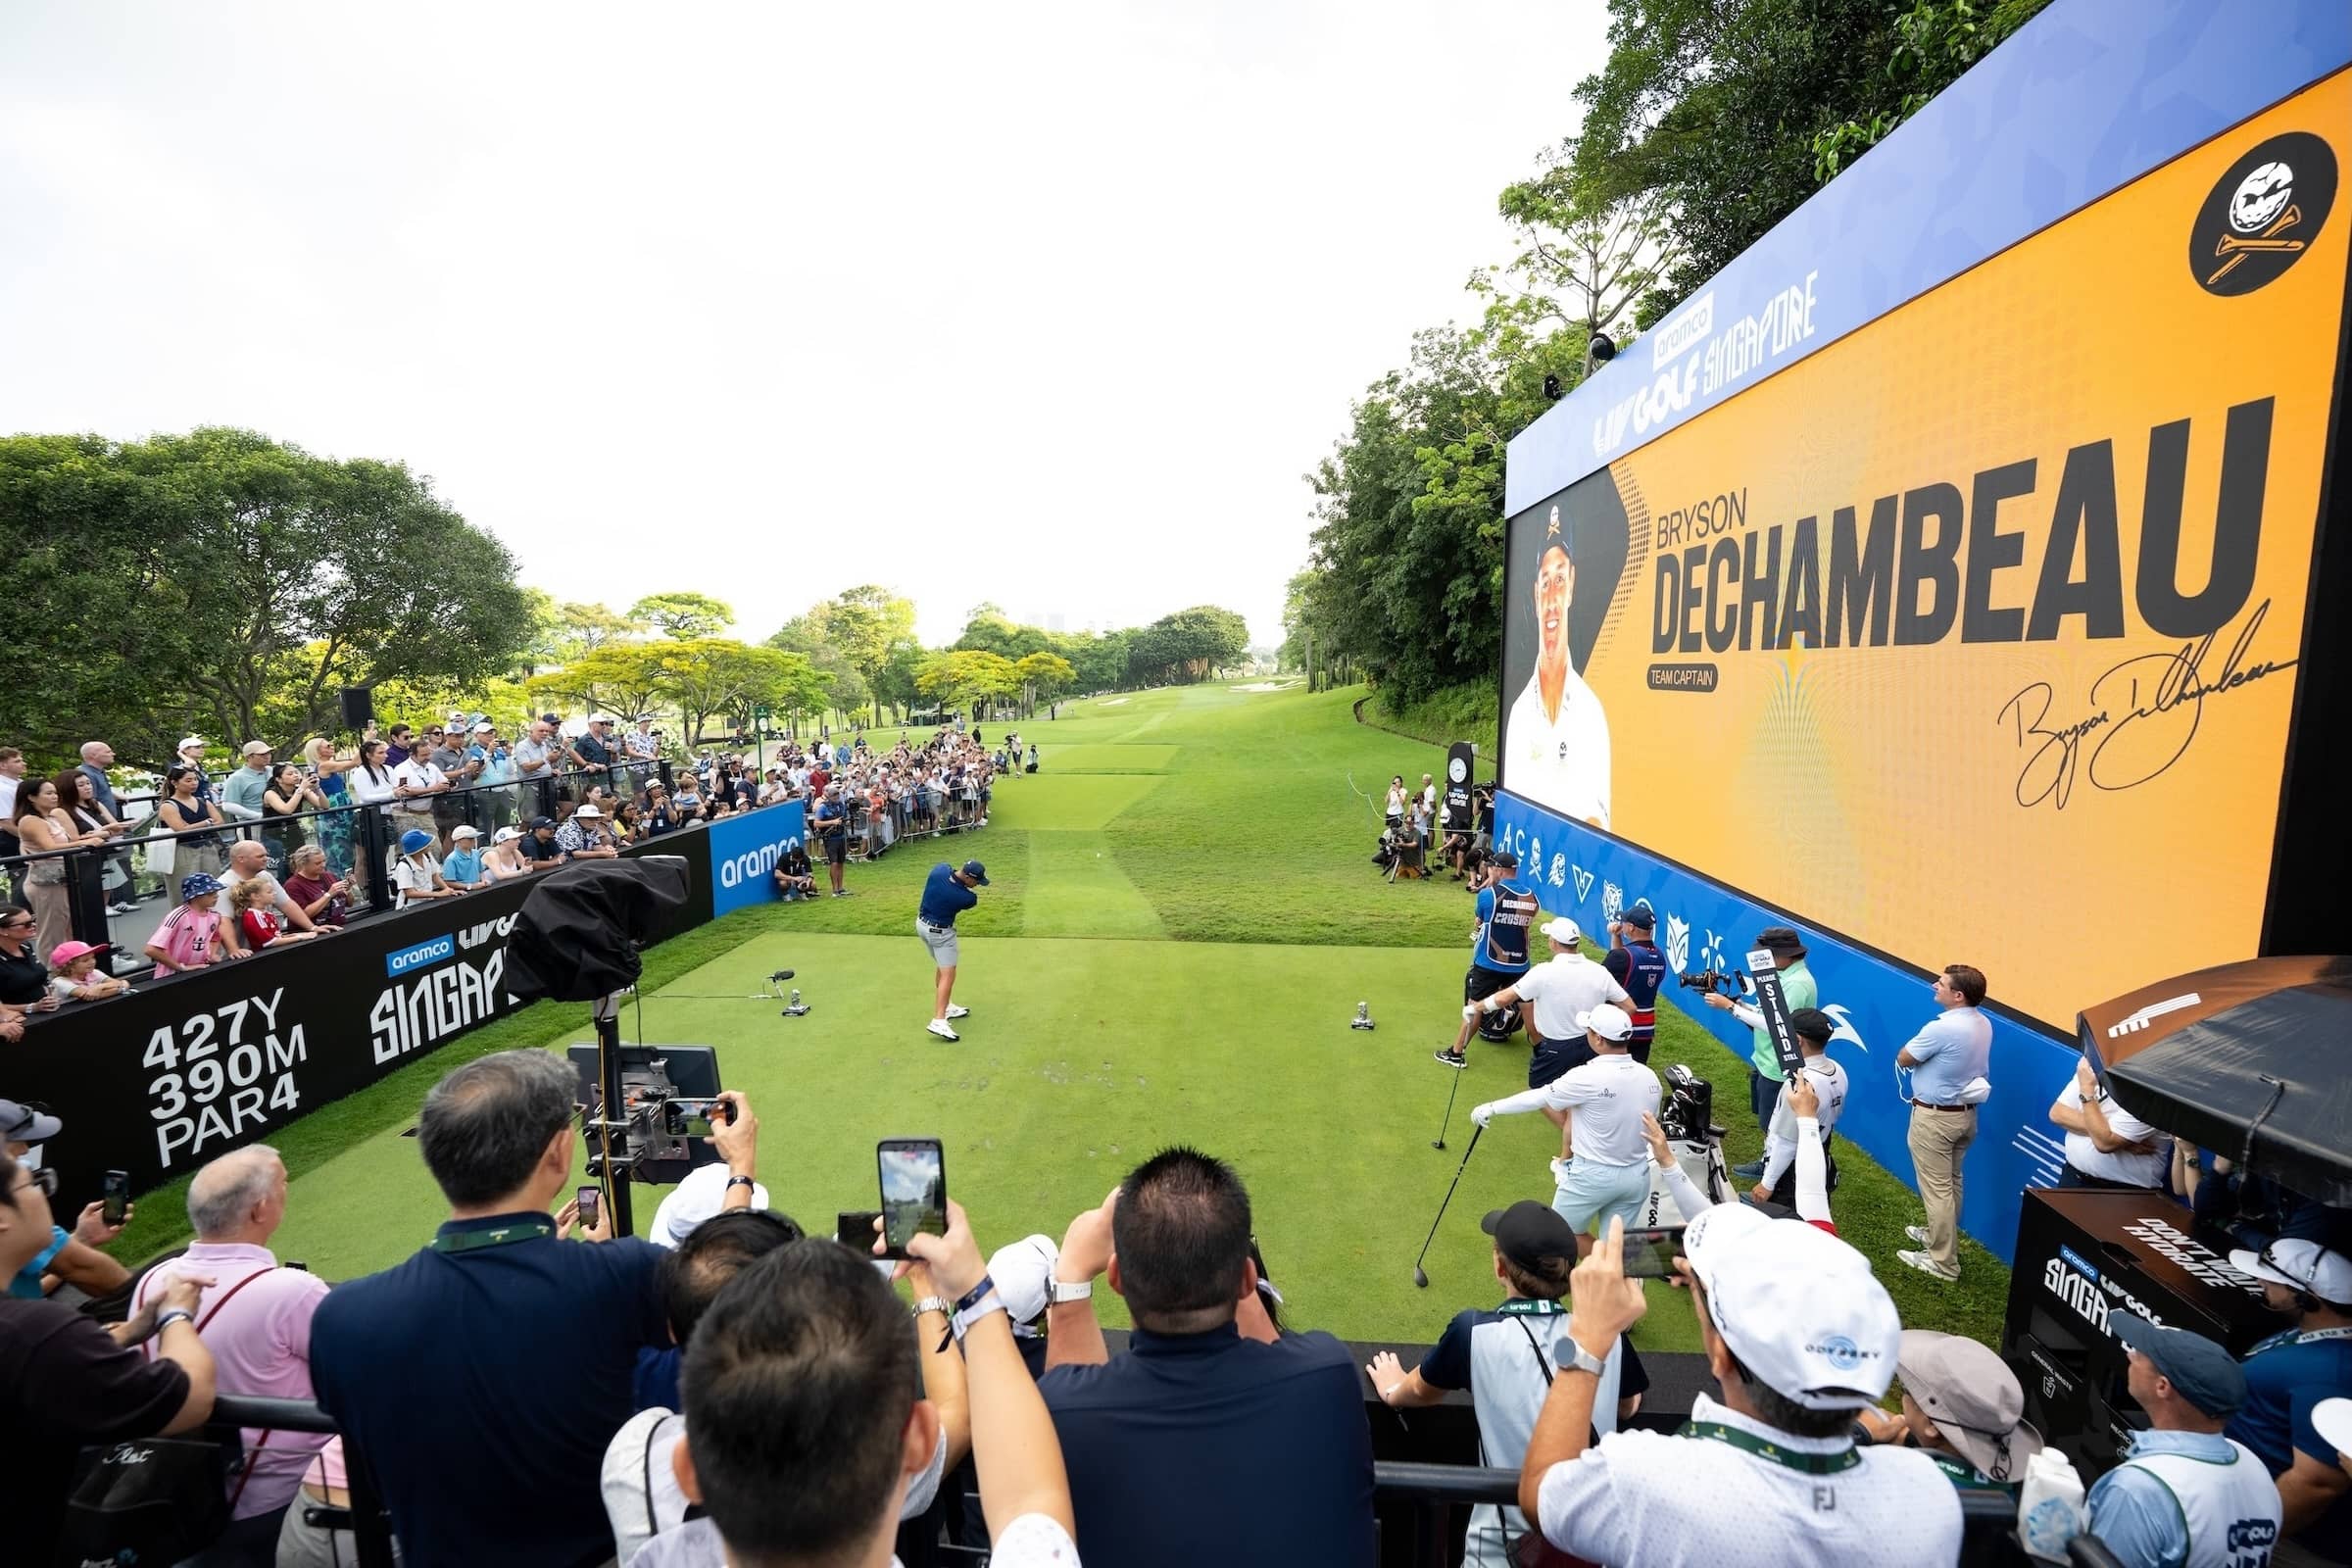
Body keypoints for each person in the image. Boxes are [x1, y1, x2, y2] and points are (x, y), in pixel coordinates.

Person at [308, 1054, 756, 1567]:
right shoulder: (621, 1275)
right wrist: (738, 1172)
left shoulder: (342, 1319)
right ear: (560, 1153)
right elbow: (738, 1299)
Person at [638, 1200, 1075, 1568]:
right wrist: (961, 1291)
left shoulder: (634, 1460)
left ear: (688, 1467)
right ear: (918, 1440)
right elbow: (1027, 1502)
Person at [1517, 1210, 1962, 1565]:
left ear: (1721, 1356)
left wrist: (1588, 1337)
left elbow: (1541, 1490)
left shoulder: (1651, 1479)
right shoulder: (1930, 1492)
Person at [1036, 1147, 1375, 1567]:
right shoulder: (1328, 1374)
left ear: (1116, 1277)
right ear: (1249, 1278)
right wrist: (1223, 1255)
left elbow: (1068, 1389)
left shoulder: (1061, 1411)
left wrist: (1069, 1269)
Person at [603, 1208, 969, 1567]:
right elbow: (956, 1412)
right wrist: (926, 1285)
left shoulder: (636, 1452)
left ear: (690, 1468)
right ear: (916, 1437)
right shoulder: (869, 1447)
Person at [1366, 1200, 1648, 1567]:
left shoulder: (1474, 1332)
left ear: (1500, 1267)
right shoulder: (1607, 1334)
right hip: (1591, 1548)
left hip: (1499, 1553)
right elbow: (1628, 1405)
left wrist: (1392, 1390)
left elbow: (1420, 1390)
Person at [1, 1149, 220, 1566]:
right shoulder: (36, 1333)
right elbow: (188, 1399)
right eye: (32, 1182)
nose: (44, 1192)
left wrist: (132, 1329)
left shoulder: (38, 1338)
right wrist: (176, 1314)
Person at [124, 1147, 335, 1562]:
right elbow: (357, 1375)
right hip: (285, 1506)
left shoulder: (153, 1279)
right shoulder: (292, 1291)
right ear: (260, 1210)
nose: (286, 1192)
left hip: (181, 1501)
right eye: (283, 1185)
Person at [2088, 1313, 2283, 1568]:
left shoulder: (2139, 1489)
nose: (2130, 1356)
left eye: (2140, 1354)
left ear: (2162, 1386)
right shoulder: (2252, 1465)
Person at [1474, 1003, 1662, 1234]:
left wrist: (1492, 1107)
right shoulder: (1650, 1077)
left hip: (1592, 1175)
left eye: (1589, 1031)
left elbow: (1539, 1097)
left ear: (1599, 1039)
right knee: (1614, 1251)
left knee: (1556, 1237)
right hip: (1637, 1176)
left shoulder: (1586, 1076)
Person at [2226, 1240, 2352, 1557]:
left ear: (2310, 1299)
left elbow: (2318, 1482)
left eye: (2272, 1279)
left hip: (2290, 1543)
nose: (2260, 1282)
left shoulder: (2330, 1375)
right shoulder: (2307, 1333)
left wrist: (2246, 1542)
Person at [1468, 917, 1631, 1152]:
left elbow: (1504, 998)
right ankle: (1572, 1148)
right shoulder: (1599, 971)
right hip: (1591, 1044)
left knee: (1540, 1090)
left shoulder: (1544, 971)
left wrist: (1474, 1008)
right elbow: (1630, 1007)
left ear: (1554, 943)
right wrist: (1607, 1024)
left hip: (1556, 1048)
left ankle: (1580, 1141)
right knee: (1578, 1096)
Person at [1505, 507, 1611, 828]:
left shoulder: (1591, 713)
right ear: (1536, 594)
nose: (1552, 597)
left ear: (1572, 585)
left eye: (1560, 579)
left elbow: (1598, 822)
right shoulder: (1520, 715)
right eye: (1546, 582)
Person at [1895, 962, 1993, 1283]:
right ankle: (1939, 1238)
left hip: (1936, 1119)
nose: (1935, 985)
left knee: (1938, 1190)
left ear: (1958, 995)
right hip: (1963, 1117)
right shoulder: (1983, 1023)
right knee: (1951, 1184)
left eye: (1942, 983)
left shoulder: (1943, 1028)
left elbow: (1904, 1057)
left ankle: (1943, 1262)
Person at [1854, 1331, 2042, 1494]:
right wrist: (1912, 1441)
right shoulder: (2022, 1492)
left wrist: (1859, 1432)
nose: (1904, 1393)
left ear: (1932, 1425)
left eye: (1906, 1388)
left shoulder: (1897, 1486)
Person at [1703, 924, 1818, 1141]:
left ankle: (1772, 1167)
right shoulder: (1785, 976)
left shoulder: (1796, 984)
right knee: (1767, 1120)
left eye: (1768, 955)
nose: (1765, 960)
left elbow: (1776, 1025)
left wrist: (1730, 1007)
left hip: (1778, 1067)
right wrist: (1743, 1007)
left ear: (1785, 956)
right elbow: (1771, 1014)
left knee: (1773, 1126)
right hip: (1767, 1060)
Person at [1438, 851, 1541, 1069]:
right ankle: (1543, 1053)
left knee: (1474, 1008)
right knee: (1528, 1009)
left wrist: (1491, 884)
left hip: (1489, 963)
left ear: (1500, 870)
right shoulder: (1532, 896)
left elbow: (1481, 918)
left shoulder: (1488, 894)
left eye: (1491, 868)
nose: (1488, 871)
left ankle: (1456, 1053)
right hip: (1519, 963)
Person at [1750, 1006, 1848, 1211]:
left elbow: (1787, 1142)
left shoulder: (1798, 1085)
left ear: (1798, 1039)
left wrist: (1767, 1183)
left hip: (1792, 1171)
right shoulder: (1838, 1070)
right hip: (1819, 1153)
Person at [12, 776, 101, 961]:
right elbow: (49, 847)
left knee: (69, 926)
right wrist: (87, 842)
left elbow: (68, 842)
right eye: (49, 793)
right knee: (52, 931)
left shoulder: (51, 817)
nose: (54, 797)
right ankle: (52, 974)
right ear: (31, 797)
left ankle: (73, 969)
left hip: (64, 876)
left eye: (55, 792)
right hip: (47, 882)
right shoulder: (30, 820)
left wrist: (90, 839)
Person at [2049, 1056, 2172, 1190]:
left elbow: (2105, 1142)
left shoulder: (2156, 1092)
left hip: (2122, 1192)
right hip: (2073, 1177)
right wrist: (2107, 1133)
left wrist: (2087, 1091)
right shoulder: (2094, 1063)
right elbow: (2058, 1113)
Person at [916, 858, 987, 1041]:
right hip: (941, 934)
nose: (977, 884)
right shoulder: (967, 898)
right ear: (969, 878)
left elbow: (947, 868)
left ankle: (946, 1006)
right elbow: (966, 895)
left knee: (942, 966)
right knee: (949, 973)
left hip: (922, 926)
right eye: (977, 881)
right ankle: (939, 1019)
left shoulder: (939, 870)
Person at [1602, 904, 1669, 1062]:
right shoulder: (1660, 956)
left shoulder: (1622, 957)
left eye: (1624, 922)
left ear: (1631, 928)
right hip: (1645, 1030)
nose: (1621, 925)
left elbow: (1601, 980)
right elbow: (1622, 962)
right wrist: (1616, 937)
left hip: (1619, 1027)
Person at [146, 872, 247, 974]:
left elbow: (215, 936)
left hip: (200, 970)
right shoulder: (178, 916)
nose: (216, 896)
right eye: (210, 893)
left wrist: (211, 954)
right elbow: (151, 949)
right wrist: (181, 967)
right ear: (195, 896)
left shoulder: (215, 916)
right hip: (170, 975)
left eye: (216, 892)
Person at [220, 839, 320, 935]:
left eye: (266, 855)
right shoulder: (225, 884)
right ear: (241, 859)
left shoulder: (265, 875)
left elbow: (286, 904)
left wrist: (312, 928)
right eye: (260, 856)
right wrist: (234, 950)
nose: (266, 859)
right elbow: (224, 922)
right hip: (243, 949)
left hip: (267, 943)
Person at [158, 760, 231, 877]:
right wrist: (206, 823)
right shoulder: (168, 806)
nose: (194, 783)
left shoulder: (203, 801)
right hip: (182, 850)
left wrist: (195, 826)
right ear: (175, 783)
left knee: (212, 882)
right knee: (183, 886)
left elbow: (220, 821)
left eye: (195, 779)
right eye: (188, 780)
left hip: (208, 847)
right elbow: (181, 830)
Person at [279, 844, 351, 929]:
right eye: (318, 863)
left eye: (324, 861)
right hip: (311, 933)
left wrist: (348, 889)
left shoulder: (329, 876)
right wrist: (328, 895)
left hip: (339, 927)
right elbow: (302, 915)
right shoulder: (293, 885)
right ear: (303, 864)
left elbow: (349, 903)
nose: (323, 865)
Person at [44, 938, 128, 1003]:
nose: (92, 962)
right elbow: (89, 995)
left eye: (93, 957)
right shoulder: (60, 982)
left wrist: (100, 986)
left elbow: (116, 982)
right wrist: (122, 987)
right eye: (85, 960)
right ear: (69, 966)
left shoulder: (94, 972)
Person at [220, 739, 275, 822]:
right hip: (251, 825)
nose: (267, 756)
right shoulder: (237, 778)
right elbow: (227, 805)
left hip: (275, 820)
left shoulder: (271, 771)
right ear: (249, 757)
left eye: (268, 753)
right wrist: (258, 816)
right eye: (262, 754)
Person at [813, 784, 851, 896]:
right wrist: (832, 822)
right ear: (829, 796)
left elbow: (843, 818)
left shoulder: (841, 805)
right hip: (830, 838)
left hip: (841, 836)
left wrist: (846, 822)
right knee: (834, 863)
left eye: (837, 795)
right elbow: (816, 823)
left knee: (840, 862)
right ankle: (834, 889)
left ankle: (840, 888)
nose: (836, 797)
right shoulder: (823, 807)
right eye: (834, 795)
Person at [557, 802, 621, 859]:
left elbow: (595, 845)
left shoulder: (591, 827)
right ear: (580, 818)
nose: (595, 822)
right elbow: (576, 854)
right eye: (591, 819)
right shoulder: (569, 830)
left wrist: (606, 850)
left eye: (596, 819)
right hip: (565, 866)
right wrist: (602, 853)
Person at [440, 823, 489, 888]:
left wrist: (484, 880)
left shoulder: (476, 853)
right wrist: (470, 886)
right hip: (463, 893)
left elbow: (481, 870)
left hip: (478, 889)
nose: (473, 841)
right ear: (458, 840)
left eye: (474, 838)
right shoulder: (451, 859)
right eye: (469, 839)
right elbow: (448, 882)